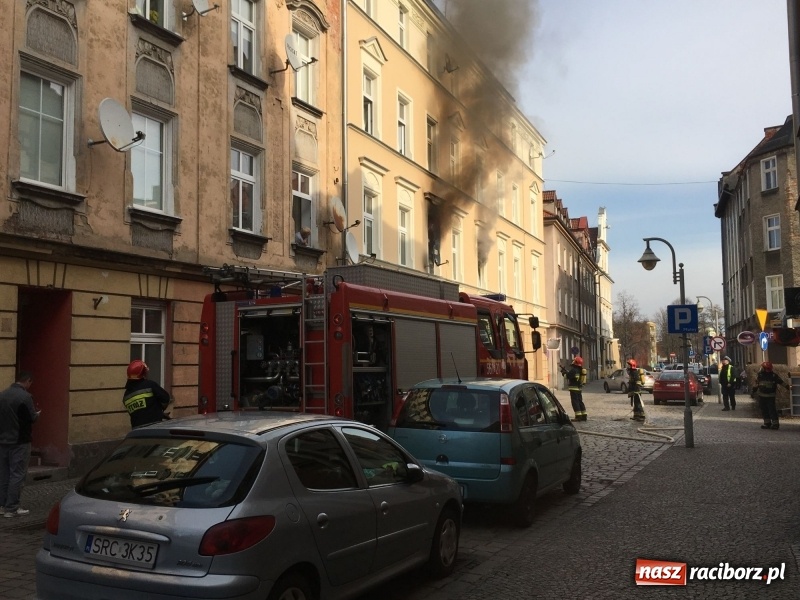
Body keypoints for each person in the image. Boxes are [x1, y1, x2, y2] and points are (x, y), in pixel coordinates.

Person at [0, 371, 39, 517]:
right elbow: (32, 417)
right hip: (20, 441)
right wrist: (37, 415)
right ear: (28, 381)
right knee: (17, 474)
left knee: (4, 473)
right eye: (30, 383)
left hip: (3, 440)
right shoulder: (25, 397)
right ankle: (12, 508)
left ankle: (2, 505)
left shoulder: (2, 395)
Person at [123, 359, 171, 428]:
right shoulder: (150, 385)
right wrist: (159, 411)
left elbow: (138, 412)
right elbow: (166, 398)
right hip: (154, 427)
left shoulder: (126, 396)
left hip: (137, 431)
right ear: (143, 374)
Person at [753, 361, 790, 430]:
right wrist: (789, 388)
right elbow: (756, 384)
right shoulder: (764, 375)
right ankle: (768, 423)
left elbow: (781, 382)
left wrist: (789, 387)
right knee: (766, 410)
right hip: (765, 396)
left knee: (770, 410)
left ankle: (774, 424)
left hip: (768, 396)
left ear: (764, 368)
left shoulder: (768, 375)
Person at [560, 356, 587, 421]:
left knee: (575, 402)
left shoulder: (574, 370)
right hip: (579, 388)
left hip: (574, 388)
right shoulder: (580, 370)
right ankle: (584, 415)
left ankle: (578, 416)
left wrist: (563, 372)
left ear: (575, 362)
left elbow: (568, 376)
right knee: (580, 401)